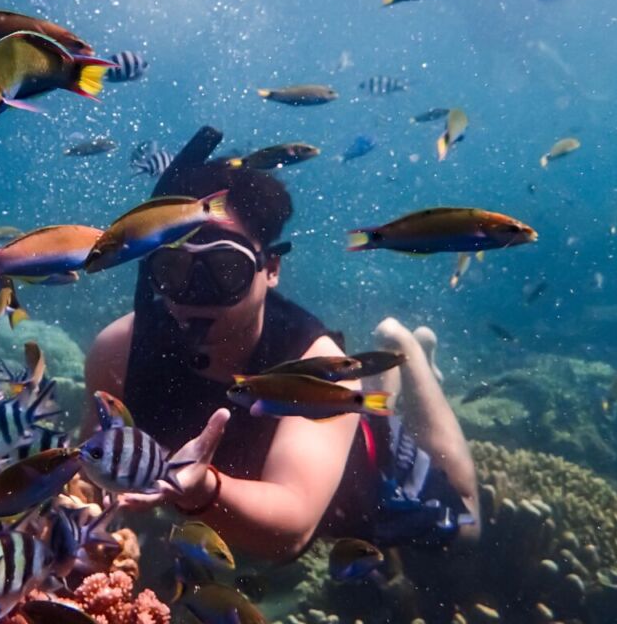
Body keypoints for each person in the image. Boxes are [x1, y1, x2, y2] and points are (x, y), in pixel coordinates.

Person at [83, 127, 480, 561]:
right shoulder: (118, 350)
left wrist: (202, 488)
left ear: (270, 268)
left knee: (467, 526)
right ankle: (385, 372)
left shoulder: (321, 368)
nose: (194, 294)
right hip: (233, 502)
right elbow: (92, 471)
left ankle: (411, 355)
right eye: (173, 270)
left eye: (225, 269)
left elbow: (292, 526)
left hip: (353, 479)